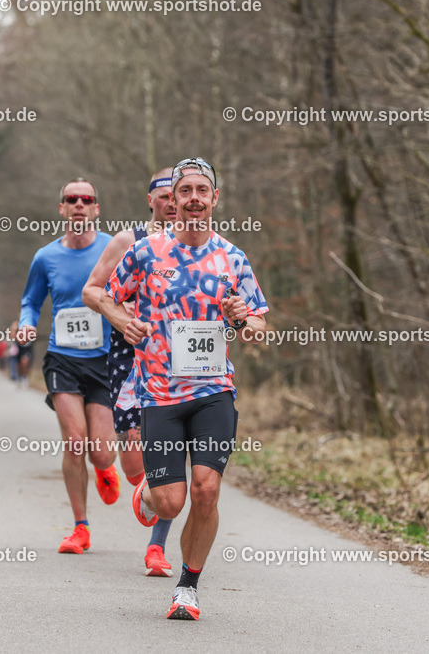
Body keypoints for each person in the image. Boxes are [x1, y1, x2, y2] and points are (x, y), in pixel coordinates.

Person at [101, 157, 268, 620]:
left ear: (215, 199)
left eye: (202, 190)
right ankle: (147, 495)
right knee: (171, 500)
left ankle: (188, 587)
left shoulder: (233, 258)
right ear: (172, 201)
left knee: (207, 490)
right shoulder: (146, 252)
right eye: (184, 191)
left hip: (214, 391)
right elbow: (103, 297)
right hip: (160, 395)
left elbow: (258, 327)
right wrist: (122, 320)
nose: (193, 198)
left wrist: (244, 318)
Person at [83, 167, 176, 577]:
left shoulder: (203, 244)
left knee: (170, 446)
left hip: (181, 362)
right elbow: (93, 290)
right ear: (150, 199)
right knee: (133, 443)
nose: (173, 202)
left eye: (181, 193)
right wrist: (122, 319)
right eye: (164, 194)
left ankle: (157, 548)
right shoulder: (129, 241)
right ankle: (143, 488)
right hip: (131, 355)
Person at [19, 177, 121, 554]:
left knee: (100, 451)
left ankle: (105, 468)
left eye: (87, 199)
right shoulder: (45, 257)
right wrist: (27, 322)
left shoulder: (114, 249)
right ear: (61, 208)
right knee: (75, 441)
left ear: (96, 208)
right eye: (71, 199)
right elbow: (30, 300)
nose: (79, 204)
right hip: (62, 357)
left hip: (106, 359)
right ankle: (80, 527)